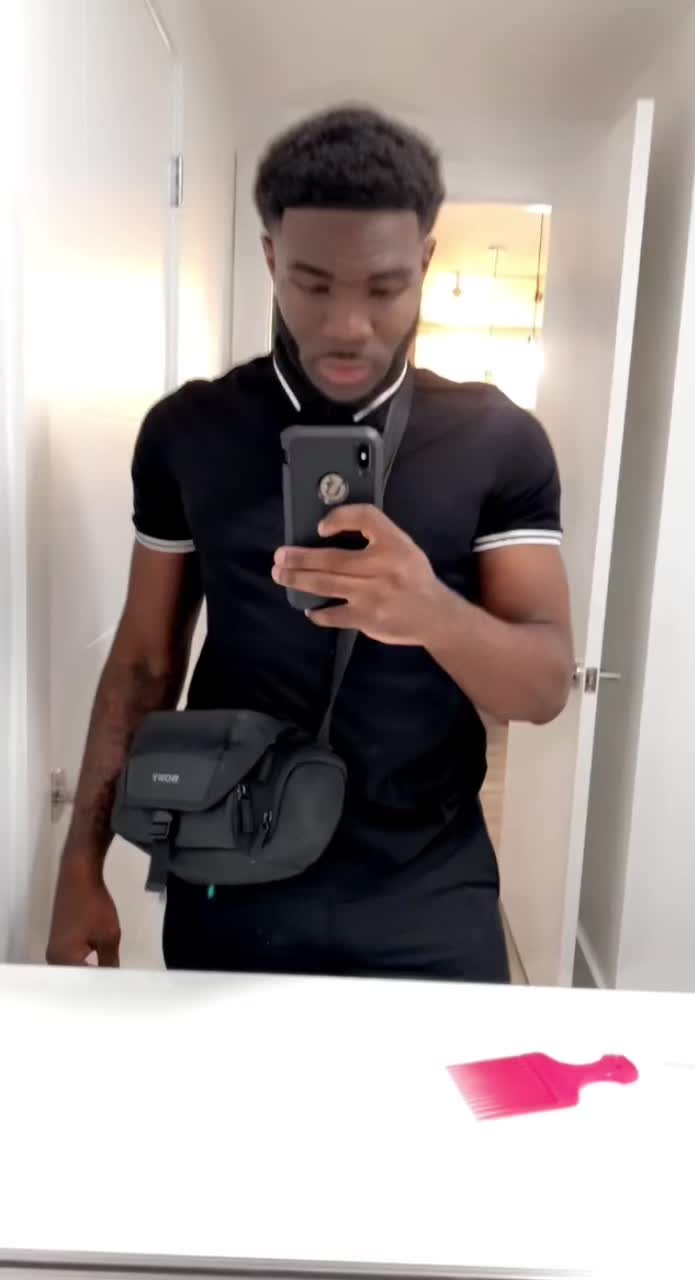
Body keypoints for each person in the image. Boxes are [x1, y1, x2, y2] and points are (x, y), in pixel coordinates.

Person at [47, 107, 573, 981]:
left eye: (384, 287)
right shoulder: (190, 432)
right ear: (270, 260)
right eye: (314, 284)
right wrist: (79, 868)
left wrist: (433, 613)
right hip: (230, 867)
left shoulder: (498, 440)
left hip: (428, 886)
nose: (347, 325)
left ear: (426, 264)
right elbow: (143, 664)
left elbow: (546, 684)